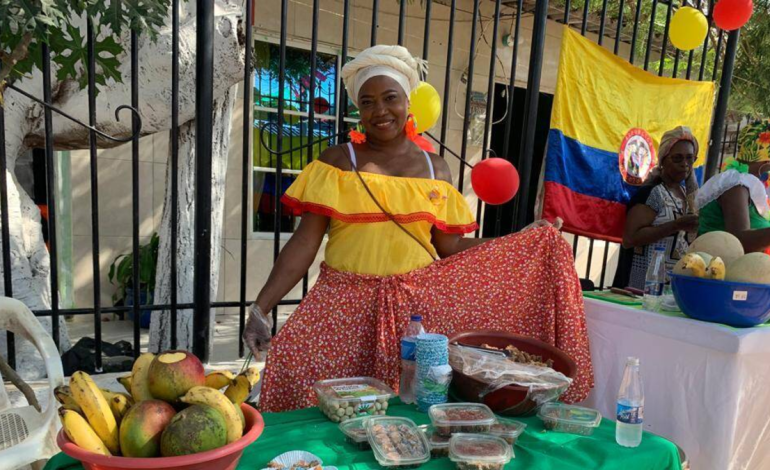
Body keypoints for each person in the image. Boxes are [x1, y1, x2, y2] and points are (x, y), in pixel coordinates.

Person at [243, 45, 593, 412]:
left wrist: (521, 240)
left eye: (390, 98)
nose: (379, 111)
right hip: (341, 305)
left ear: (408, 102)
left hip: (413, 315)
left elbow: (451, 247)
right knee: (310, 389)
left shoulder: (435, 170)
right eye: (367, 102)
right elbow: (304, 244)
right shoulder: (337, 163)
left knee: (404, 406)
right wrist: (260, 309)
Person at [613, 127, 700, 290]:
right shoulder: (653, 193)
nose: (685, 164)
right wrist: (676, 225)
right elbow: (630, 239)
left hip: (669, 287)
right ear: (663, 160)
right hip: (640, 285)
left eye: (690, 158)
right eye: (677, 158)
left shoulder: (686, 195)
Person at [696, 119, 770, 253]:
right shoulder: (735, 186)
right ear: (765, 162)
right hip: (722, 269)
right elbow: (738, 242)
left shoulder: (746, 185)